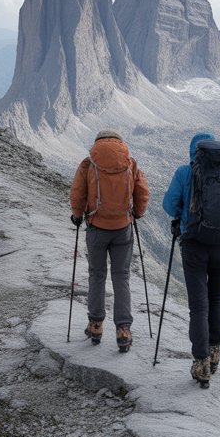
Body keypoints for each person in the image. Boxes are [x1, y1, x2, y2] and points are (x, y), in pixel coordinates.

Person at [163, 132, 220, 388]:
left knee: (198, 306)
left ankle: (201, 364)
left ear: (195, 151)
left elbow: (169, 205)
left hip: (194, 246)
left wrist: (181, 214)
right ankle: (214, 353)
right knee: (216, 299)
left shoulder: (184, 172)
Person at [70, 130, 150, 353]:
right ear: (119, 143)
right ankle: (123, 330)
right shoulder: (130, 163)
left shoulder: (89, 163)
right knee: (121, 276)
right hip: (123, 228)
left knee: (97, 274)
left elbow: (77, 192)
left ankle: (95, 325)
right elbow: (142, 192)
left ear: (98, 144)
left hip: (96, 227)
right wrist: (138, 213)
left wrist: (77, 215)